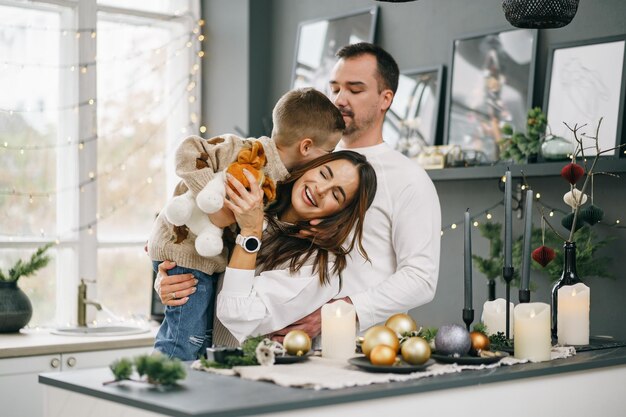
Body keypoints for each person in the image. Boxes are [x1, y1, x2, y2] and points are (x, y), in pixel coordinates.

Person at [156, 42, 441, 343]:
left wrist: (338, 312)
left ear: (386, 99)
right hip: (253, 334)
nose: (340, 99)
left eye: (355, 90)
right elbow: (222, 227)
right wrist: (176, 271)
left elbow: (421, 278)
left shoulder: (409, 179)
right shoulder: (303, 165)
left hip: (357, 347)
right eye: (335, 88)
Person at [148, 87, 345, 360]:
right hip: (189, 256)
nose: (322, 188)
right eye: (328, 156)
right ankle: (160, 382)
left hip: (217, 301)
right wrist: (212, 200)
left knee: (194, 339)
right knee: (184, 340)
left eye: (337, 193)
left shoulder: (279, 194)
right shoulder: (245, 152)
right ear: (307, 146)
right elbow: (189, 152)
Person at [215, 151, 377, 342]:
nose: (321, 189)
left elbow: (236, 314)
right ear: (310, 166)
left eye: (336, 195)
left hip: (237, 369)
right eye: (324, 174)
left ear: (340, 214)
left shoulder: (318, 265)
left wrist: (251, 232)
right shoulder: (255, 202)